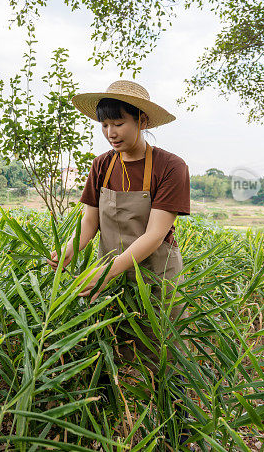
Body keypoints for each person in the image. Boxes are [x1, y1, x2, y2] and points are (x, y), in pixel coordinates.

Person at [48, 80, 190, 364]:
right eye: (104, 125)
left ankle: (172, 406)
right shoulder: (102, 164)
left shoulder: (171, 167)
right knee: (112, 348)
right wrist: (70, 249)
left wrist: (106, 273)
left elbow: (154, 235)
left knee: (163, 353)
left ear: (143, 120)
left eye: (118, 123)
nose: (110, 133)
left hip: (155, 274)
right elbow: (89, 221)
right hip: (109, 272)